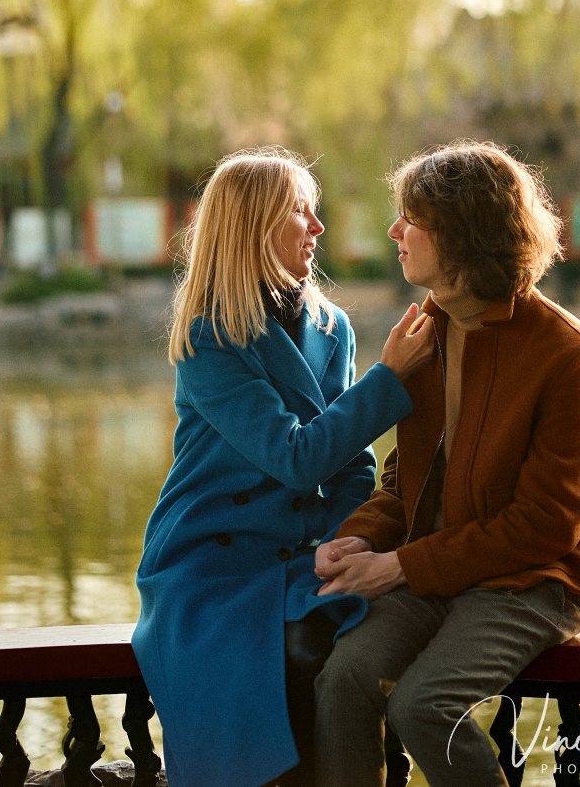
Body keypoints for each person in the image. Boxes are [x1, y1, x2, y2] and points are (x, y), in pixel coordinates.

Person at [313, 140, 580, 787]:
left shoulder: (570, 359)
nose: (394, 232)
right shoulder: (429, 329)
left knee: (424, 705)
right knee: (342, 677)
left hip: (536, 579)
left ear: (461, 235)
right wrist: (358, 537)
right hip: (437, 568)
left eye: (412, 221)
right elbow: (408, 477)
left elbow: (546, 526)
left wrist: (398, 565)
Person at [131, 148, 434, 787]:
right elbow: (295, 458)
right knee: (289, 663)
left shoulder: (333, 326)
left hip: (298, 557)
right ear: (254, 226)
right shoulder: (209, 335)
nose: (318, 229)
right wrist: (391, 380)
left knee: (344, 638)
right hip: (208, 566)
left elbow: (350, 464)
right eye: (302, 213)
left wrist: (353, 539)